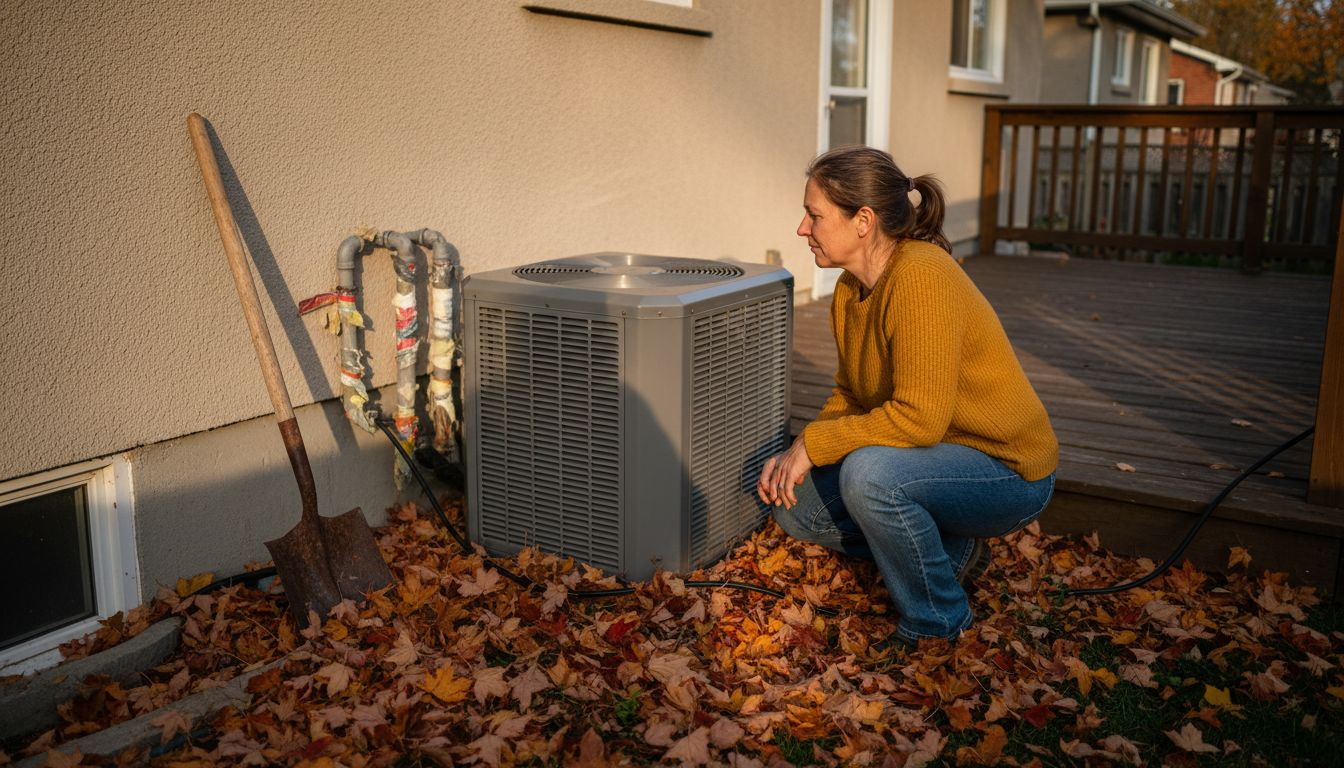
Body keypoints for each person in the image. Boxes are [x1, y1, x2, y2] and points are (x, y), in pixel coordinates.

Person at [758, 145, 1058, 648]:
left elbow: (919, 420)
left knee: (869, 476)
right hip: (933, 459)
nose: (802, 229)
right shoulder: (850, 291)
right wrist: (802, 451)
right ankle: (952, 553)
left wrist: (814, 443)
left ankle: (938, 620)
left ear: (863, 220)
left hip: (1005, 471)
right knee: (796, 510)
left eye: (814, 216)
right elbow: (852, 394)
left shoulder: (921, 276)